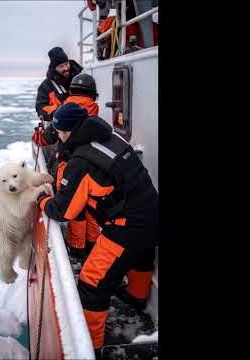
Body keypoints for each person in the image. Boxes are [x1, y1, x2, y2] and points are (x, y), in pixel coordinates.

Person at [36, 103, 158, 359]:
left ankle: (90, 347)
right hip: (151, 211)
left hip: (128, 226)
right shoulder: (110, 135)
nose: (57, 135)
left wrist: (42, 201)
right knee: (141, 255)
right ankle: (137, 297)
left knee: (92, 283)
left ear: (68, 131)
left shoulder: (82, 161)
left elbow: (64, 211)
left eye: (58, 131)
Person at [32, 74, 101, 259]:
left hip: (69, 165)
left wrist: (37, 136)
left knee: (73, 209)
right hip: (92, 167)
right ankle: (92, 247)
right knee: (91, 210)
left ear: (71, 90)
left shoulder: (65, 111)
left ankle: (76, 250)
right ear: (92, 93)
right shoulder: (93, 111)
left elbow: (46, 138)